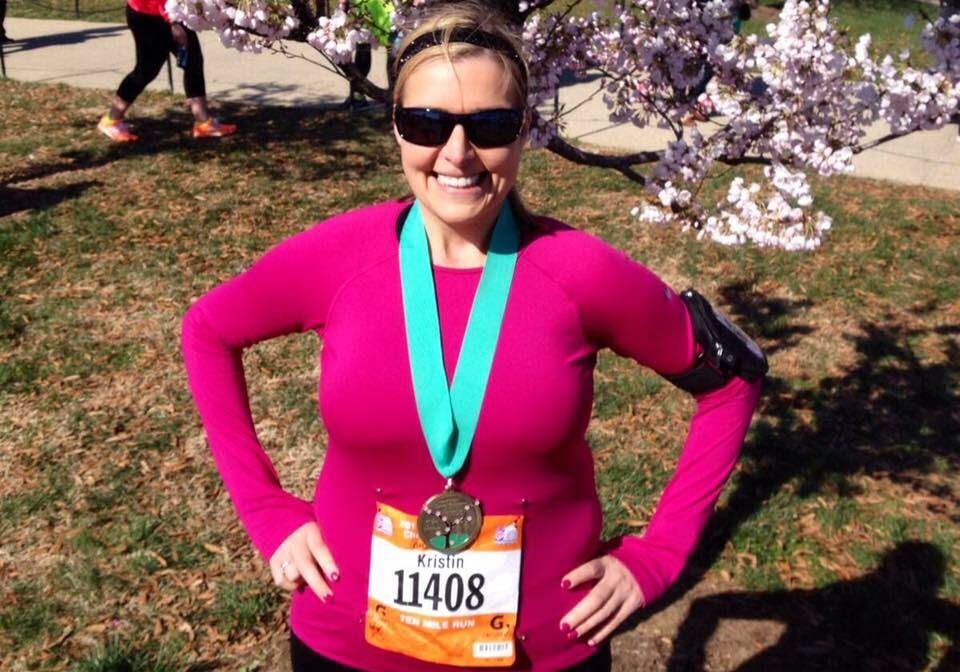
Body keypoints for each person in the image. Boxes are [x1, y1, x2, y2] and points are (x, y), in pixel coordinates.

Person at [181, 2, 765, 670]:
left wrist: (659, 556)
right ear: (395, 127)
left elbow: (732, 381)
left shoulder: (578, 272)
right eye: (426, 122)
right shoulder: (340, 257)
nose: (456, 154)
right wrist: (265, 509)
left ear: (524, 133)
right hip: (346, 639)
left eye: (489, 125)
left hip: (544, 647)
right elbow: (207, 331)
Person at [97, 0, 236, 142]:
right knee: (146, 70)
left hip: (168, 12)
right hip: (150, 14)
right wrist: (173, 23)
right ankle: (111, 120)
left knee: (192, 61)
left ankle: (204, 122)